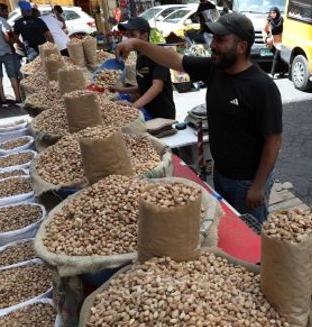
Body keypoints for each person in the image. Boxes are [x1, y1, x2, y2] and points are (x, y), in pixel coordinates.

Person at [116, 13, 282, 223]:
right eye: (214, 39)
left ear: (241, 47)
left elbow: (274, 140)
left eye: (221, 40)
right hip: (221, 174)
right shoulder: (214, 68)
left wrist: (258, 186)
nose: (213, 45)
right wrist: (138, 44)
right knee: (229, 225)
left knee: (252, 234)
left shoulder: (262, 87)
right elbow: (173, 59)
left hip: (247, 182)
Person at [110, 17, 175, 120]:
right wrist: (119, 90)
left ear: (144, 36)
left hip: (162, 116)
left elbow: (157, 87)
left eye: (133, 35)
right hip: (148, 112)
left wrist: (133, 107)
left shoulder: (158, 55)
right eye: (128, 35)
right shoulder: (140, 57)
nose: (128, 39)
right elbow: (144, 87)